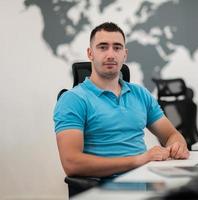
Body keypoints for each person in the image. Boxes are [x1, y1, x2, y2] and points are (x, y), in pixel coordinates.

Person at [53, 22, 189, 178]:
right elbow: (72, 164)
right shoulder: (73, 100)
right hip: (103, 191)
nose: (111, 54)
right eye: (103, 47)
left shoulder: (140, 94)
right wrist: (138, 160)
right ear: (90, 53)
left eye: (117, 48)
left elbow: (171, 134)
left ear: (125, 54)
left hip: (146, 182)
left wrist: (176, 145)